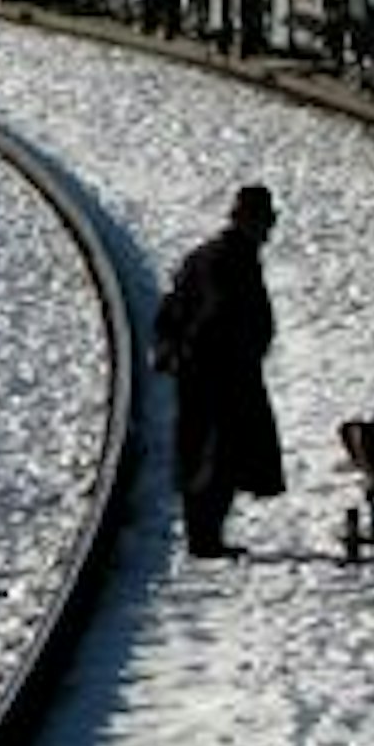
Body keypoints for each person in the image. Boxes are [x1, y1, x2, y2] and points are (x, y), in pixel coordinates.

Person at [155, 182, 284, 558]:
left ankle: (206, 537)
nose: (268, 232)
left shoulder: (213, 254)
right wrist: (209, 355)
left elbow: (175, 306)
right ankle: (205, 540)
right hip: (220, 373)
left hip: (210, 369)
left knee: (208, 453)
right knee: (218, 456)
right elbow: (216, 315)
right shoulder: (229, 260)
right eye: (265, 223)